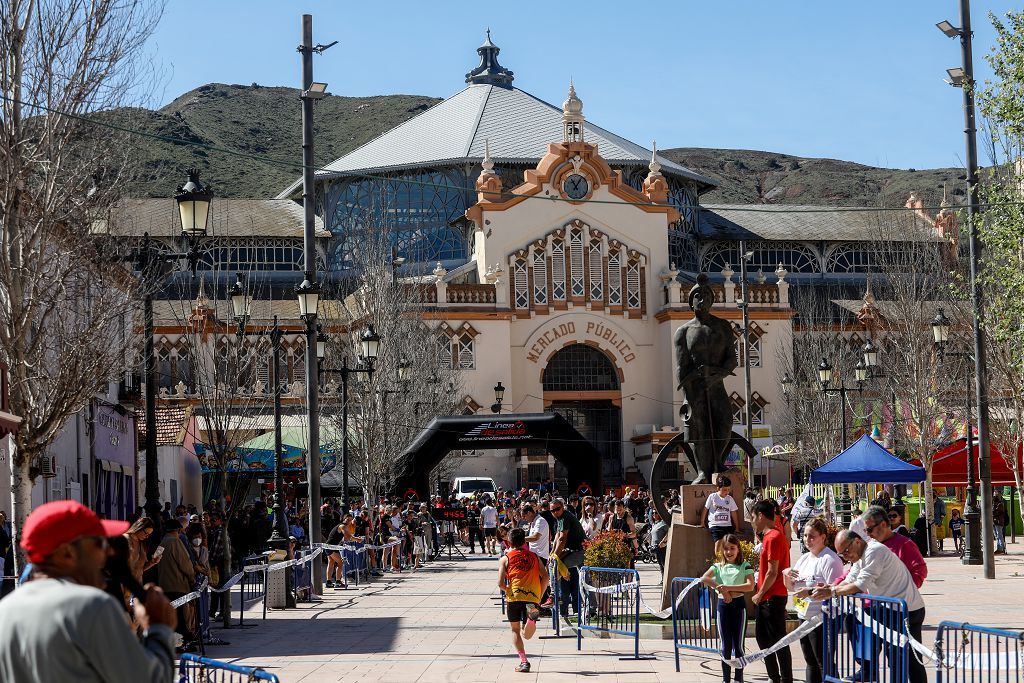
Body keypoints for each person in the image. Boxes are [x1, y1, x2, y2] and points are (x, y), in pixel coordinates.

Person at [0, 500, 177, 682]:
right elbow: (151, 678)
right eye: (98, 543)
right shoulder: (92, 606)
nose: (107, 553)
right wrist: (159, 627)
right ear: (67, 553)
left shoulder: (5, 611)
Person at [812, 529, 926, 683]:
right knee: (856, 623)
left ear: (857, 541)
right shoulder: (861, 556)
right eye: (841, 554)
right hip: (889, 609)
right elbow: (851, 578)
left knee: (908, 659)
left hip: (907, 610)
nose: (845, 557)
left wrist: (832, 592)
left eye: (846, 551)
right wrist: (829, 589)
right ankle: (867, 670)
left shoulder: (874, 551)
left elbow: (860, 585)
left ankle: (870, 671)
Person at [783, 517, 844, 683]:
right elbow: (791, 587)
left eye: (812, 536)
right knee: (810, 661)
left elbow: (834, 590)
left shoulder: (830, 560)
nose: (807, 540)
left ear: (823, 537)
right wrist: (786, 574)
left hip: (823, 619)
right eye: (804, 536)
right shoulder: (804, 558)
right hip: (804, 617)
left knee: (824, 662)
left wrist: (809, 592)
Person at [700, 534, 755, 683]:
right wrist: (722, 590)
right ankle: (726, 680)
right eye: (726, 549)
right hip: (723, 608)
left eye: (732, 548)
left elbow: (750, 585)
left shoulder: (745, 565)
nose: (729, 552)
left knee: (739, 646)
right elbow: (704, 578)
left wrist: (728, 588)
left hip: (739, 607)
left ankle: (739, 679)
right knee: (725, 645)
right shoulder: (717, 566)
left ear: (738, 549)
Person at [751, 499, 793, 683]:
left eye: (753, 517)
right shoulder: (769, 537)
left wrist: (760, 594)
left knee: (777, 641)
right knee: (765, 640)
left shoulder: (773, 537)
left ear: (761, 516)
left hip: (771, 597)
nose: (752, 521)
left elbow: (772, 571)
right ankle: (776, 677)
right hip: (770, 597)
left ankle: (783, 678)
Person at [497, 527, 549, 674]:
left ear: (509, 541)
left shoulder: (505, 559)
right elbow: (545, 577)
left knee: (515, 630)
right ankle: (531, 620)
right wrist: (539, 596)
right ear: (524, 541)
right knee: (527, 634)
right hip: (532, 596)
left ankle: (524, 661)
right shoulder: (534, 556)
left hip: (514, 596)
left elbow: (500, 583)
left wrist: (508, 590)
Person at [861, 506, 927, 588]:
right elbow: (857, 570)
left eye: (869, 530)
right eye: (890, 516)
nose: (867, 534)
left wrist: (906, 588)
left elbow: (919, 569)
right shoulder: (871, 545)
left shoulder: (903, 540)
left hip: (896, 597)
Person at [550, 498, 587, 618]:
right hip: (573, 551)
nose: (555, 512)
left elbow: (562, 538)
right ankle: (557, 595)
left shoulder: (565, 517)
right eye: (552, 510)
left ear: (563, 508)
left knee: (556, 566)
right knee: (555, 565)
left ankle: (555, 594)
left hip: (580, 551)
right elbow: (556, 538)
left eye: (557, 509)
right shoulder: (559, 519)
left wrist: (556, 557)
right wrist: (553, 554)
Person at [700, 475, 742, 558]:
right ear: (718, 488)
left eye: (728, 490)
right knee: (718, 543)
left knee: (730, 544)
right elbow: (705, 509)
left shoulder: (730, 499)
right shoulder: (713, 497)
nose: (727, 492)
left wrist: (737, 527)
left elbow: (733, 513)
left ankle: (728, 561)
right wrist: (702, 522)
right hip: (715, 525)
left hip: (727, 525)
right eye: (725, 490)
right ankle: (719, 562)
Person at [649, 509, 668, 573]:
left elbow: (669, 532)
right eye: (653, 513)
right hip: (655, 547)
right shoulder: (654, 524)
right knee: (660, 564)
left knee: (664, 564)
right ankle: (663, 580)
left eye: (656, 513)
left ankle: (666, 580)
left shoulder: (663, 523)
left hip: (662, 547)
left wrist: (663, 541)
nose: (654, 514)